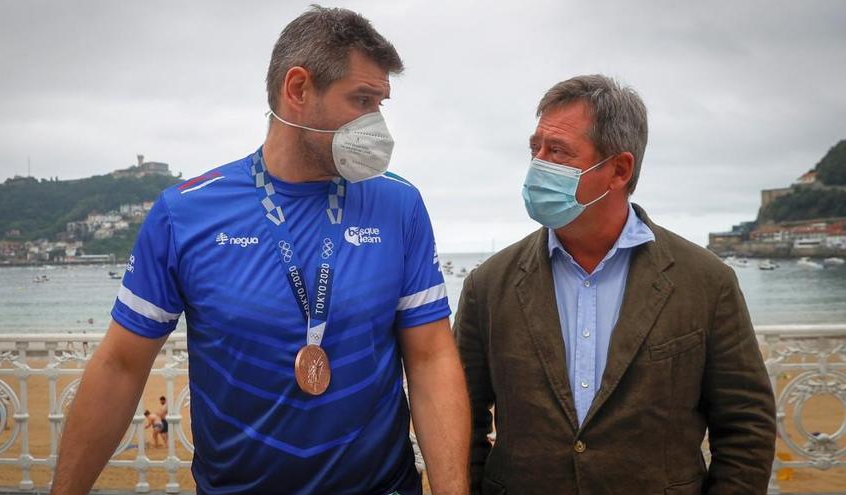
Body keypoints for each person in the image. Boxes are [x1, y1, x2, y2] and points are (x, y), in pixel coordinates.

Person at [51, 6, 469, 495]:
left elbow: (431, 358)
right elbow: (122, 365)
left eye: (381, 104)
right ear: (297, 90)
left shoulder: (399, 204)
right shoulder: (185, 214)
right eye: (361, 100)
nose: (376, 124)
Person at [454, 74, 776, 494]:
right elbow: (462, 417)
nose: (538, 165)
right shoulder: (489, 284)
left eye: (558, 152)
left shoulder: (705, 281)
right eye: (535, 149)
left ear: (619, 170)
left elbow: (746, 423)